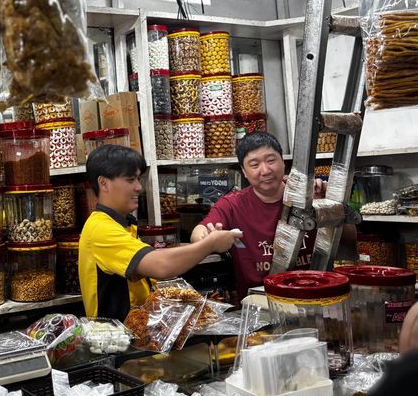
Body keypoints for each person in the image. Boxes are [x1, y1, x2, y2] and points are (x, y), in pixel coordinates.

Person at [78, 144, 240, 320]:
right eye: (130, 180)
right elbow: (161, 265)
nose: (139, 187)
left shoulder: (122, 223)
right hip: (114, 335)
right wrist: (210, 244)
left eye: (138, 179)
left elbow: (149, 263)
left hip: (137, 329)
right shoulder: (100, 229)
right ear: (104, 183)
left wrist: (201, 243)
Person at [190, 131, 324, 298]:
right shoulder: (232, 205)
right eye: (254, 165)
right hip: (259, 302)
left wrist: (325, 206)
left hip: (315, 295)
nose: (265, 170)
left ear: (283, 162)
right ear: (244, 171)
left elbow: (348, 237)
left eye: (271, 160)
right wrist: (209, 239)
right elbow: (198, 233)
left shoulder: (309, 195)